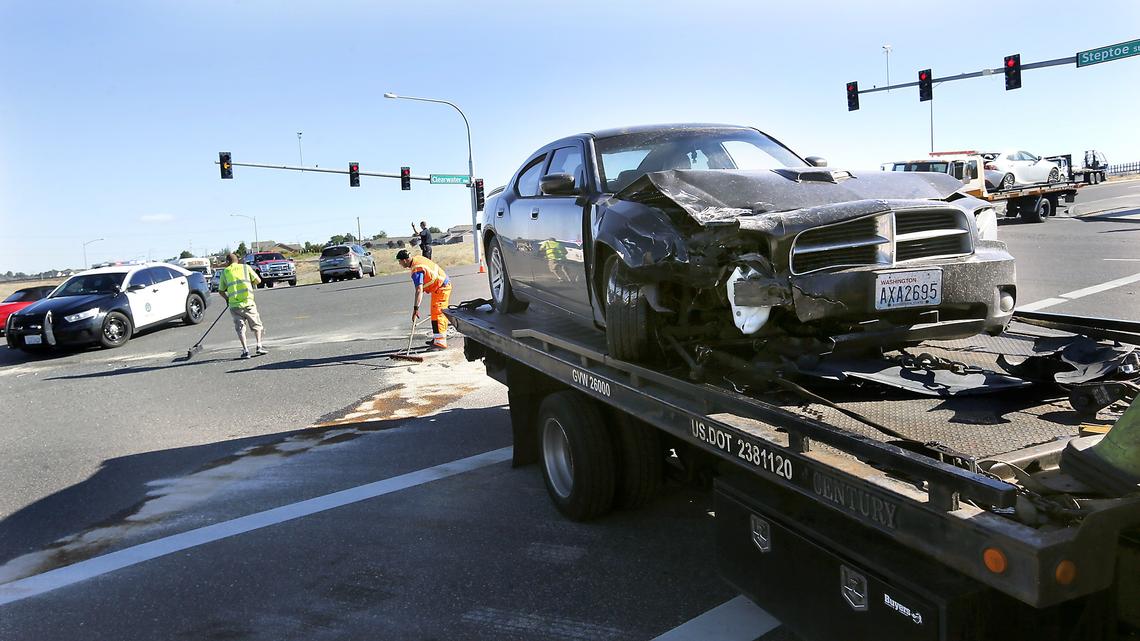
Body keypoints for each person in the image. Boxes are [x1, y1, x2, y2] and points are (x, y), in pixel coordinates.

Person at [396, 249, 451, 350]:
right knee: (434, 314)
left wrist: (416, 308)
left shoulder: (416, 270)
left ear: (404, 260)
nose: (400, 264)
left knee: (438, 314)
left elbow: (419, 290)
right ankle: (437, 338)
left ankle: (441, 343)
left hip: (442, 287)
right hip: (438, 287)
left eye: (399, 262)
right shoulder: (417, 259)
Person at [217, 252, 266, 359]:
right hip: (248, 302)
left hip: (235, 305)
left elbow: (220, 290)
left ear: (227, 262)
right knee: (256, 325)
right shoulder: (245, 268)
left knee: (240, 328)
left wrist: (227, 299)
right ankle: (259, 346)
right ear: (237, 260)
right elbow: (258, 280)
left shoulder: (225, 272)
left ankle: (245, 350)